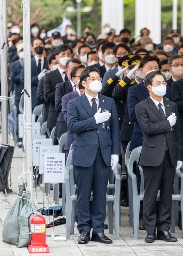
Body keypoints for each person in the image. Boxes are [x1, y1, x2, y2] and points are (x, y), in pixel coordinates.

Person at [67, 66, 120, 244]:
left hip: (103, 153)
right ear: (84, 82)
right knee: (83, 192)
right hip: (84, 152)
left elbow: (114, 129)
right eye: (92, 78)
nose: (97, 81)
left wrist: (115, 153)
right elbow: (72, 126)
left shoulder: (108, 101)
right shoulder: (75, 102)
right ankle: (83, 229)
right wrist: (93, 121)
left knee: (100, 192)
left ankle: (98, 229)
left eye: (99, 78)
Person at [135, 70, 182, 243]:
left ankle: (164, 229)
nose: (162, 86)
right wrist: (165, 124)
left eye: (163, 82)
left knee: (167, 195)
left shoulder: (171, 105)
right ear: (149, 87)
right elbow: (147, 128)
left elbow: (177, 133)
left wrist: (178, 156)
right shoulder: (142, 106)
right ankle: (149, 230)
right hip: (152, 155)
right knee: (150, 194)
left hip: (169, 155)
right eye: (158, 83)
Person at [127, 56, 173, 230]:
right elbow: (133, 116)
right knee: (145, 183)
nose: (154, 70)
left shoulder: (166, 90)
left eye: (157, 67)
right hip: (142, 139)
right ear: (142, 70)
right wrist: (160, 122)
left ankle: (162, 220)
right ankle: (143, 218)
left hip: (165, 141)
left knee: (165, 184)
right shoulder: (134, 91)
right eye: (150, 67)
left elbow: (170, 112)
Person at [44, 44, 73, 133]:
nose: (66, 57)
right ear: (57, 57)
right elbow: (47, 97)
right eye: (63, 54)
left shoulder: (76, 74)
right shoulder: (49, 76)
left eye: (68, 54)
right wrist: (61, 89)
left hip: (73, 116)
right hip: (56, 117)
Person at [54, 58, 82, 140]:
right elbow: (58, 106)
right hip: (64, 125)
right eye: (73, 69)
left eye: (79, 69)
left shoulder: (88, 88)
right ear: (66, 71)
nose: (76, 72)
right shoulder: (61, 86)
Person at [61, 65, 85, 156]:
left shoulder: (98, 97)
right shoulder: (67, 98)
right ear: (73, 79)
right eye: (81, 76)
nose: (84, 79)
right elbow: (70, 121)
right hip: (75, 141)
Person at [20, 38, 48, 109]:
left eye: (40, 44)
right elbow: (23, 80)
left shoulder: (48, 62)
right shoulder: (28, 63)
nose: (38, 46)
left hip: (46, 97)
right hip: (32, 97)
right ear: (32, 47)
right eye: (36, 44)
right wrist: (37, 78)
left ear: (44, 46)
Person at [36, 53, 59, 124]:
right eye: (54, 63)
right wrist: (57, 93)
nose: (56, 65)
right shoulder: (44, 79)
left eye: (58, 63)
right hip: (49, 112)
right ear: (49, 65)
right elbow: (39, 98)